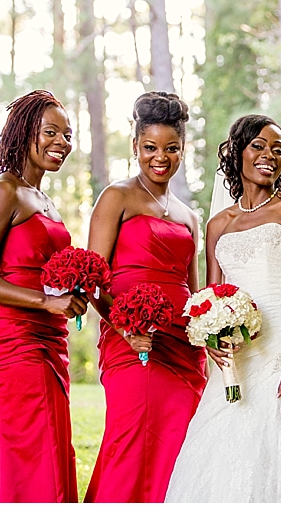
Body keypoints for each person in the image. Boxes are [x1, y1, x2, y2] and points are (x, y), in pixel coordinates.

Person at [165, 115, 281, 503]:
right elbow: (211, 295)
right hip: (240, 352)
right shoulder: (218, 223)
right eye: (259, 146)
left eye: (278, 150)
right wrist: (211, 338)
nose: (269, 156)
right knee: (226, 436)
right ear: (237, 152)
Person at [0, 90, 86, 503]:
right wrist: (45, 302)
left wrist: (71, 291)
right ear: (23, 133)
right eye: (50, 132)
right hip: (14, 338)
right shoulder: (5, 191)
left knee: (46, 447)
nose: (61, 143)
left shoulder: (44, 200)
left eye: (67, 135)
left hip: (51, 338)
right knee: (27, 449)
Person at [84, 91, 206, 503]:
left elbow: (193, 290)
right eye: (151, 147)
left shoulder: (189, 215)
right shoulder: (116, 197)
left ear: (183, 150)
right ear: (135, 146)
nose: (161, 157)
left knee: (181, 446)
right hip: (131, 342)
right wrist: (123, 326)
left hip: (183, 347)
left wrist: (213, 329)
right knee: (132, 440)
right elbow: (93, 279)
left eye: (172, 149)